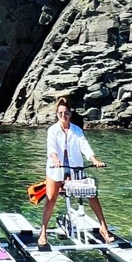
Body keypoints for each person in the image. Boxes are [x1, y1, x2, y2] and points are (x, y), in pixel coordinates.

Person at [37, 96, 113, 248]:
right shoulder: (52, 130)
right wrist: (55, 159)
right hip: (55, 169)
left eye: (65, 113)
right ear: (57, 115)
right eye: (60, 114)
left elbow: (84, 146)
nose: (63, 116)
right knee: (51, 199)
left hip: (74, 169)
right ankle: (43, 232)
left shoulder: (76, 130)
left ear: (70, 114)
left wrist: (94, 160)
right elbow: (51, 148)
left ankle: (103, 227)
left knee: (91, 194)